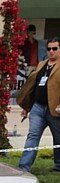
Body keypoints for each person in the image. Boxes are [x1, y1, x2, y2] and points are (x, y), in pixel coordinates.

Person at [16, 37, 60, 173]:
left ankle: (58, 166)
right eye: (49, 49)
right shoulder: (41, 64)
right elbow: (32, 86)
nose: (51, 51)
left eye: (54, 48)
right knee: (33, 136)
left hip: (55, 109)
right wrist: (26, 107)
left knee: (58, 138)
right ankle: (24, 167)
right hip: (38, 107)